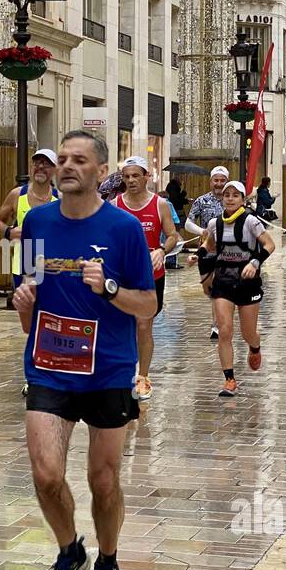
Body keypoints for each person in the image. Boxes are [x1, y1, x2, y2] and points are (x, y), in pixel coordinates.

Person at [14, 130, 156, 570]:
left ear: (100, 171)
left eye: (80, 160)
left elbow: (148, 305)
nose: (68, 166)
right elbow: (26, 306)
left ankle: (109, 559)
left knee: (103, 480)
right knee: (46, 473)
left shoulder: (123, 230)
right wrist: (23, 302)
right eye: (63, 159)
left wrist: (111, 289)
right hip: (49, 365)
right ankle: (69, 550)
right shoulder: (36, 223)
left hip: (108, 371)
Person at [112, 155, 179, 400]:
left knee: (144, 325)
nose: (130, 181)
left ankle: (143, 377)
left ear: (146, 177)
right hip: (122, 276)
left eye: (135, 176)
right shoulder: (116, 205)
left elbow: (173, 235)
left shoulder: (159, 204)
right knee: (122, 326)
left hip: (151, 276)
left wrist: (162, 250)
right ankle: (122, 375)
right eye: (126, 177)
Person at [201, 181, 275, 395]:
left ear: (243, 200)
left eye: (235, 195)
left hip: (247, 282)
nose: (230, 199)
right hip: (223, 280)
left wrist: (255, 262)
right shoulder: (215, 223)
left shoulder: (251, 221)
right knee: (224, 329)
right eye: (227, 195)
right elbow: (209, 244)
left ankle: (255, 346)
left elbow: (270, 245)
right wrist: (200, 255)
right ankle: (229, 379)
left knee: (247, 332)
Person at [0, 148, 59, 297]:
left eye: (46, 164)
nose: (40, 167)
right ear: (31, 167)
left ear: (55, 170)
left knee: (48, 308)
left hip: (51, 262)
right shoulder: (17, 194)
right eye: (37, 163)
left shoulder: (60, 199)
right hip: (23, 261)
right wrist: (8, 232)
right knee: (26, 309)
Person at [186, 166, 231, 339]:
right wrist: (201, 231)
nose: (219, 184)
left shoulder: (232, 200)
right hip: (206, 249)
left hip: (227, 251)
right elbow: (189, 223)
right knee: (208, 288)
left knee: (220, 286)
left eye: (222, 180)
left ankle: (216, 324)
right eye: (216, 180)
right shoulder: (201, 200)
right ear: (211, 181)